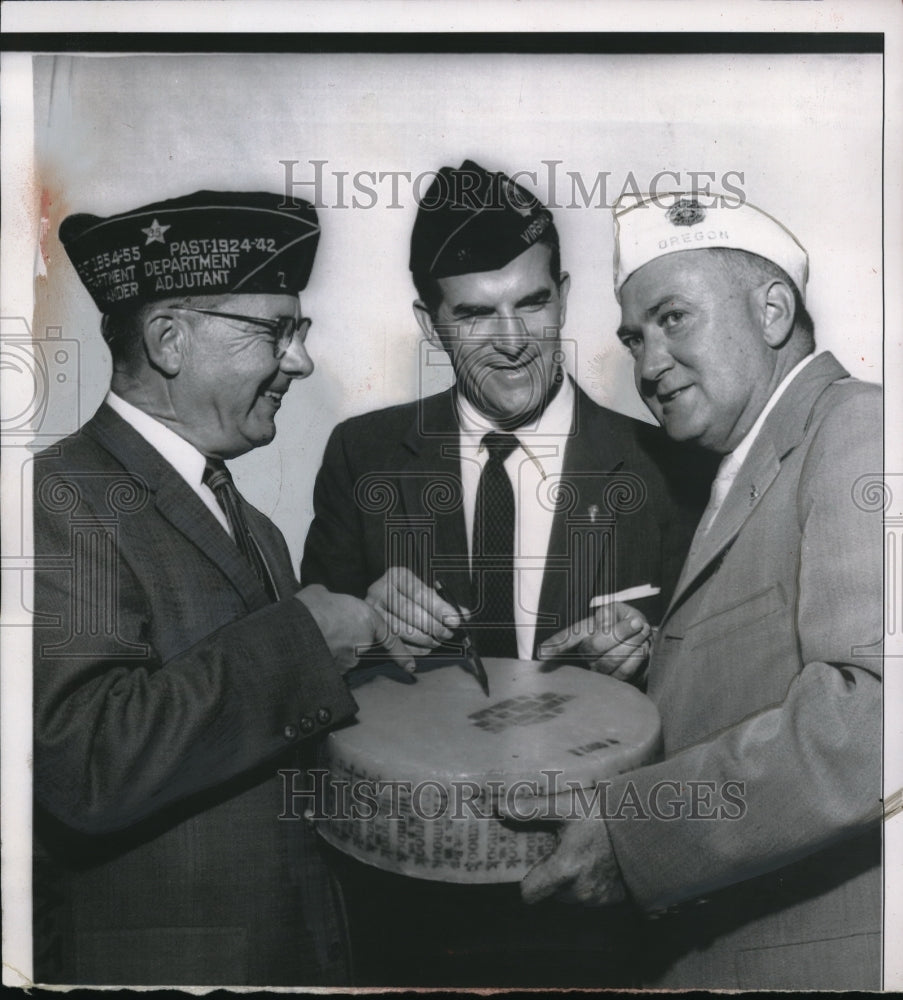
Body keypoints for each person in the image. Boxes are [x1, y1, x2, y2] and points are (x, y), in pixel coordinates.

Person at [300, 161, 711, 987]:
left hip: (596, 903)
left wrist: (652, 648)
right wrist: (359, 619)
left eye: (531, 302)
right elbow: (309, 676)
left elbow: (716, 685)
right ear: (429, 323)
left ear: (563, 293)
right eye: (475, 314)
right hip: (404, 899)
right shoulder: (364, 455)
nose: (514, 339)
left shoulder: (669, 466)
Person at [32, 190, 414, 987]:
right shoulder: (58, 497)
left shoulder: (256, 528)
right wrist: (309, 639)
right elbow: (86, 762)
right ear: (170, 340)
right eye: (275, 330)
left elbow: (258, 727)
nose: (301, 361)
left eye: (299, 332)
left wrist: (373, 636)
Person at [518, 191, 883, 990]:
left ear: (773, 310)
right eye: (632, 337)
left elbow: (877, 717)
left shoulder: (861, 429)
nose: (646, 364)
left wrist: (634, 833)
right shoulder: (750, 464)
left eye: (673, 318)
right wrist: (647, 672)